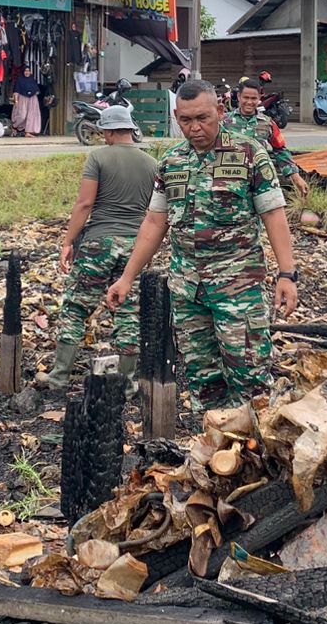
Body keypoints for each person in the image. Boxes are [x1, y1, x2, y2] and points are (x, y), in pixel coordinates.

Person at [107, 79, 299, 408]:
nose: (194, 128)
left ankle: (253, 439)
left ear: (220, 111)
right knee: (203, 380)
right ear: (176, 117)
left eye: (202, 118)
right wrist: (127, 277)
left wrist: (287, 274)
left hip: (238, 289)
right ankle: (213, 434)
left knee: (250, 378)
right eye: (185, 120)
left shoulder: (249, 153)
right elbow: (155, 222)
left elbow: (273, 214)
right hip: (188, 291)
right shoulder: (172, 162)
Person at [38, 104, 159, 392]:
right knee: (128, 312)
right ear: (130, 129)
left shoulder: (98, 157)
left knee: (76, 307)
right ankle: (127, 384)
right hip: (135, 245)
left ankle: (59, 377)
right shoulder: (152, 164)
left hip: (98, 242)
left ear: (108, 131)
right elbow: (153, 213)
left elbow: (85, 204)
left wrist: (68, 241)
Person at [225, 78, 309, 197]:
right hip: (231, 181)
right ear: (239, 97)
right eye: (246, 97)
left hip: (260, 182)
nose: (249, 102)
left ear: (259, 98)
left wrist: (296, 177)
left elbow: (280, 150)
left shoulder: (268, 123)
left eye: (253, 98)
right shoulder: (224, 122)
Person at [11, 64, 42, 137]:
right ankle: (14, 126)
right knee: (22, 115)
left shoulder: (32, 79)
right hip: (22, 99)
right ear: (23, 72)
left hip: (32, 99)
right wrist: (16, 101)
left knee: (31, 116)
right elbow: (16, 91)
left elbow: (37, 90)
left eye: (28, 71)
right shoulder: (20, 80)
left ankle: (27, 132)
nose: (27, 72)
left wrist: (33, 92)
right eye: (25, 71)